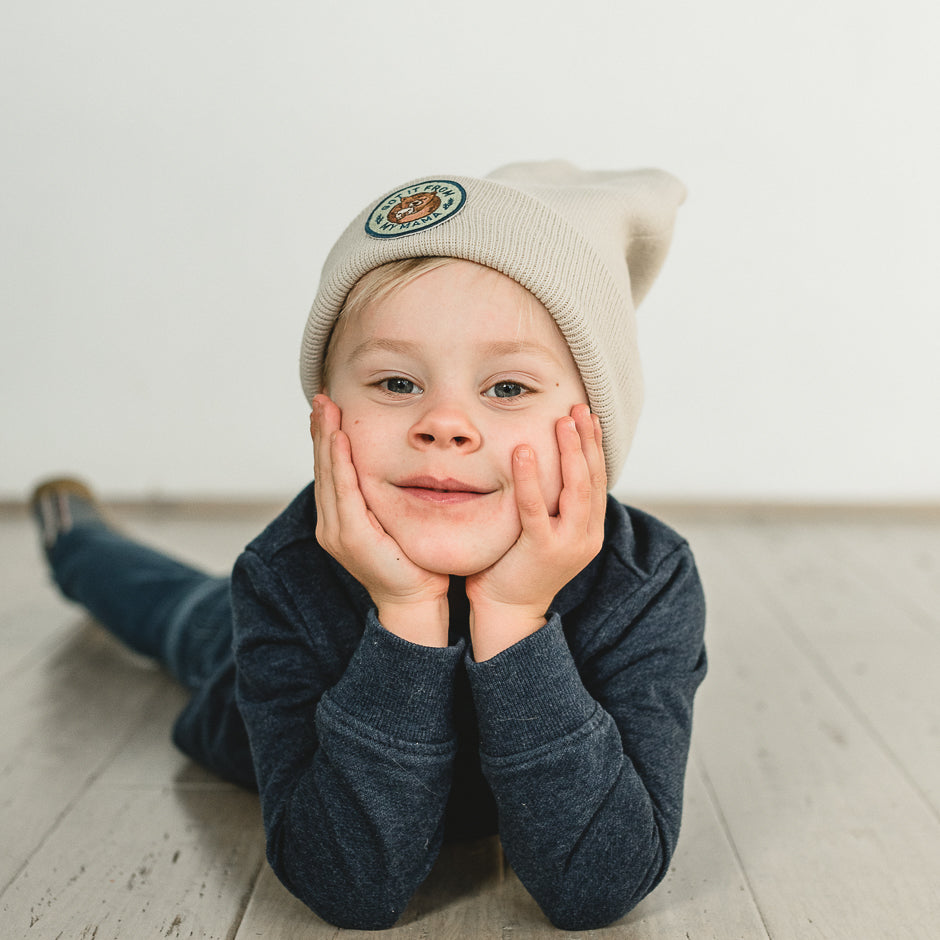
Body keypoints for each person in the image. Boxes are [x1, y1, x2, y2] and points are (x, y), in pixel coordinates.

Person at [31, 161, 707, 931]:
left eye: (508, 388)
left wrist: (515, 616)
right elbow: (350, 888)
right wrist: (407, 612)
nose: (445, 424)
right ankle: (77, 538)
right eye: (394, 383)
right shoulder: (284, 574)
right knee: (181, 613)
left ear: (596, 428)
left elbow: (598, 885)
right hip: (246, 670)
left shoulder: (647, 581)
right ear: (326, 415)